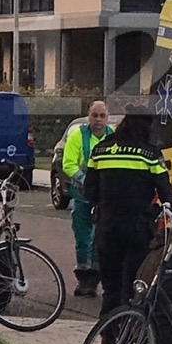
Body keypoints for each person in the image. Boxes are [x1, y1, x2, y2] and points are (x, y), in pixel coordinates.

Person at [83, 110, 172, 315]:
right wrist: (170, 213)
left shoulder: (101, 150)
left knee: (110, 290)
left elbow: (89, 190)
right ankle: (128, 338)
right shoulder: (151, 154)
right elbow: (165, 191)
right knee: (132, 288)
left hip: (107, 228)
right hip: (138, 230)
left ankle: (108, 342)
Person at [62, 101, 112, 297]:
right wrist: (86, 181)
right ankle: (84, 278)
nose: (98, 120)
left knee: (101, 239)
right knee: (83, 238)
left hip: (105, 198)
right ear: (88, 116)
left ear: (107, 117)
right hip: (83, 197)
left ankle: (96, 278)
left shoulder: (113, 137)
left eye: (102, 116)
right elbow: (68, 164)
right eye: (94, 115)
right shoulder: (77, 136)